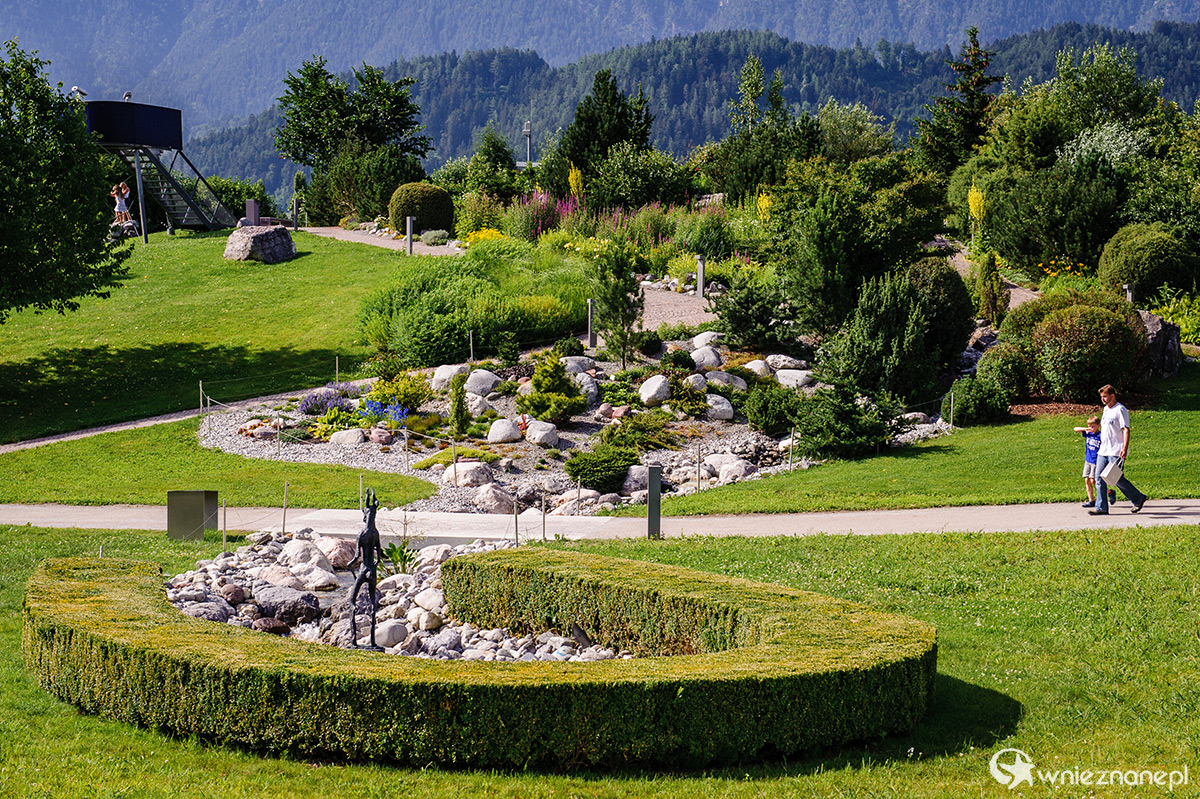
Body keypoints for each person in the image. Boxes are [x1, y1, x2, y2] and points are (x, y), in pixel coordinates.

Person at [1089, 384, 1147, 515]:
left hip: (1116, 450)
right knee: (1098, 477)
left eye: (1105, 396)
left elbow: (1126, 429)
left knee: (1116, 478)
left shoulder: (1120, 409)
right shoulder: (1105, 410)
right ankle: (1101, 508)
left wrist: (1125, 448)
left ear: (1112, 396)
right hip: (1103, 450)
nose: (1103, 399)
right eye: (1102, 397)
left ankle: (1138, 498)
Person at [1072, 416, 1102, 507]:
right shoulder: (1088, 433)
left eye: (1093, 426)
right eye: (1089, 426)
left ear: (1098, 426)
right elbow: (1075, 429)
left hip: (1096, 461)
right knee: (1087, 480)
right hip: (1088, 460)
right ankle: (1091, 500)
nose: (1091, 428)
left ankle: (1109, 492)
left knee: (1093, 480)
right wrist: (1086, 429)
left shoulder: (1100, 435)